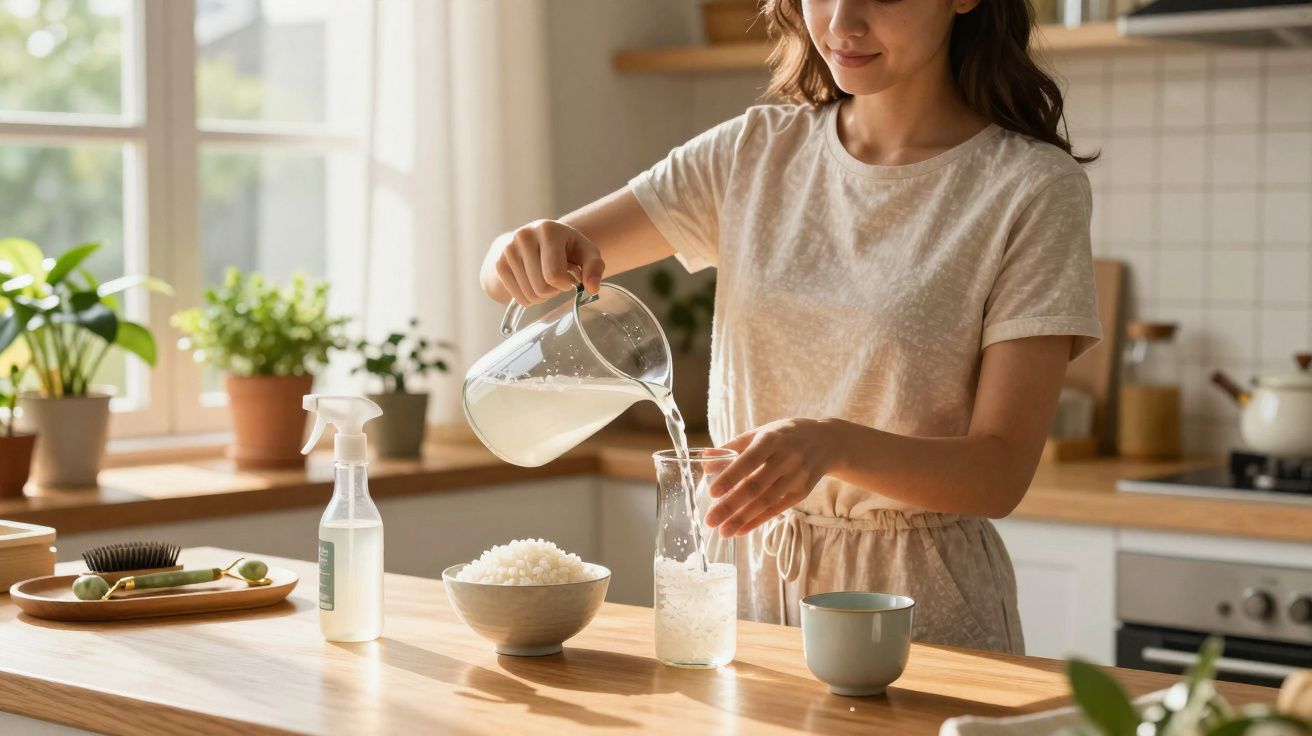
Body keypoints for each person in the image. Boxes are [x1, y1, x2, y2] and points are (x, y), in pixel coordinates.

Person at [478, 0, 1101, 653]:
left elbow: (1000, 473)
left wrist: (832, 445)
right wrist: (516, 251)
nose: (842, 21)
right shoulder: (751, 153)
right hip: (740, 586)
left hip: (913, 607)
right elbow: (512, 273)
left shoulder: (1030, 188)